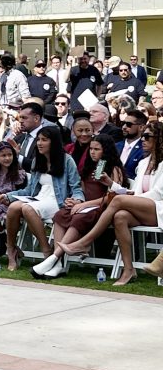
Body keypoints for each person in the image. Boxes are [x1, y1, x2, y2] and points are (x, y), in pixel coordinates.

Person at [61, 122, 163, 286]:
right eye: (142, 136)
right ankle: (129, 270)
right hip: (144, 207)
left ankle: (85, 242)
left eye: (147, 137)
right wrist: (110, 183)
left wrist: (130, 198)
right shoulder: (144, 163)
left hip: (159, 208)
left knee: (117, 200)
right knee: (120, 216)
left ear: (159, 139)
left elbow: (157, 194)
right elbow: (132, 192)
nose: (142, 140)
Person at [33, 134, 128, 279]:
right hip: (84, 204)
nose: (92, 152)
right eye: (91, 149)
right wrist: (75, 200)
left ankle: (54, 258)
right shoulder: (89, 167)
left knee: (79, 218)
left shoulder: (113, 169)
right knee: (60, 215)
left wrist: (85, 204)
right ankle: (59, 265)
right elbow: (81, 190)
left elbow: (113, 197)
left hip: (101, 207)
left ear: (106, 150)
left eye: (97, 149)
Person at [0, 126, 82, 271]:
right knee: (13, 207)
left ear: (53, 142)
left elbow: (76, 187)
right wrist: (8, 196)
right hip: (39, 199)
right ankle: (11, 248)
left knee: (27, 208)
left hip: (57, 201)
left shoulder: (67, 161)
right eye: (38, 140)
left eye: (44, 140)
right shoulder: (38, 161)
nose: (39, 143)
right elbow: (30, 190)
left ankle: (46, 252)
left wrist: (77, 200)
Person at [117, 109, 147, 178]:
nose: (124, 127)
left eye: (128, 124)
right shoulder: (115, 146)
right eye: (123, 123)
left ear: (141, 127)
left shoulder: (145, 149)